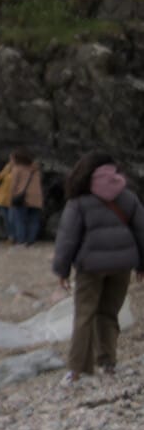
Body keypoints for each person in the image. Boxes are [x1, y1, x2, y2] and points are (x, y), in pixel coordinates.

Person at [50, 154, 144, 385]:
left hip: (90, 267)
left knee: (84, 314)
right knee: (109, 314)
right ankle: (108, 363)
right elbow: (142, 232)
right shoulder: (127, 196)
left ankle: (77, 370)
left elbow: (67, 239)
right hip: (122, 264)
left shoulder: (79, 201)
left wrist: (62, 271)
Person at [6, 150, 45, 246]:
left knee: (20, 220)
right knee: (34, 220)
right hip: (37, 198)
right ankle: (30, 241)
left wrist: (11, 197)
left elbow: (14, 185)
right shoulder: (36, 169)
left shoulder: (17, 169)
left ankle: (21, 241)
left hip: (22, 197)